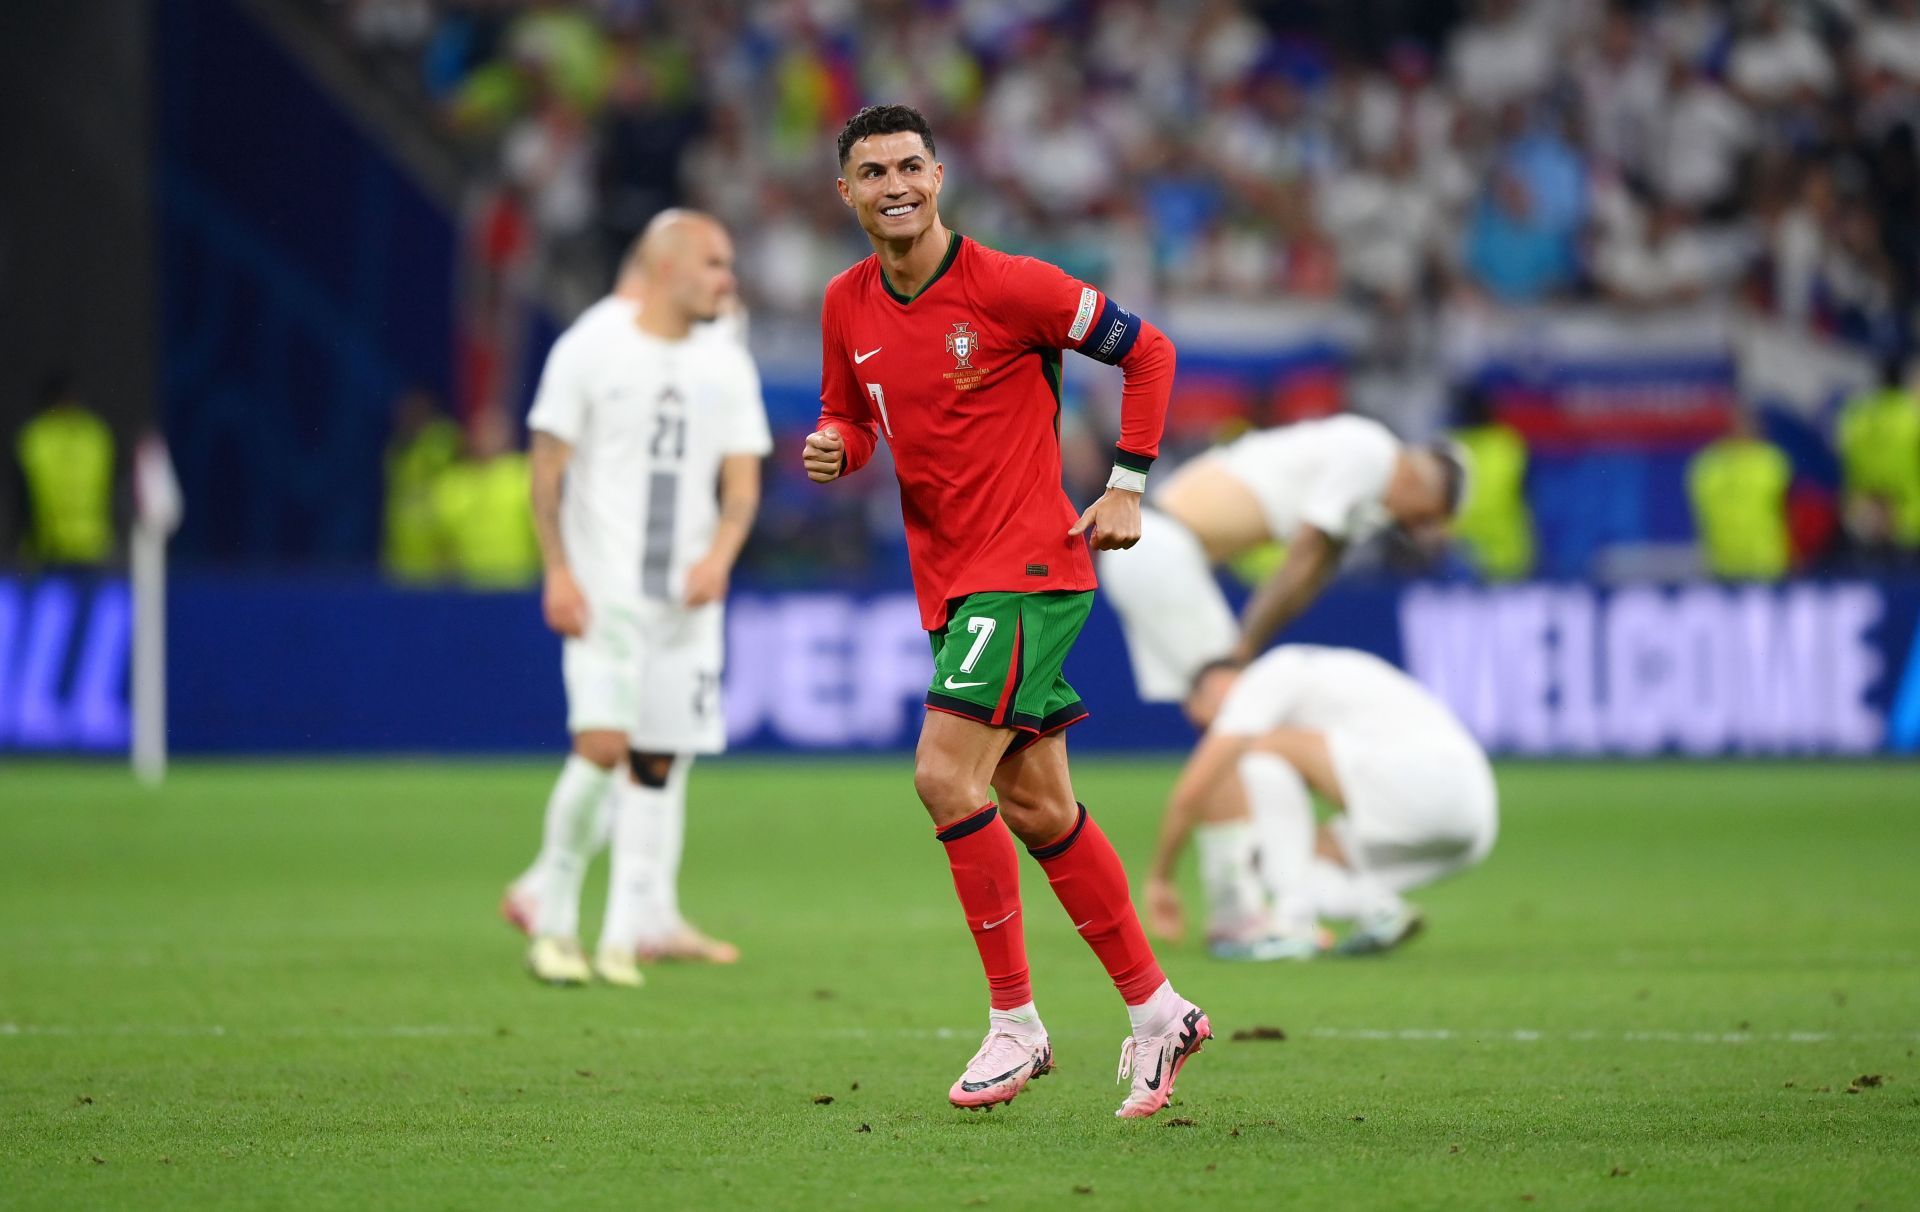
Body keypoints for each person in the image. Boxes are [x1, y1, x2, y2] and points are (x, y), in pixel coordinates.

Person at [803, 104, 1207, 1119]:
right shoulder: (845, 304)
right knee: (1037, 807)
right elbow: (855, 421)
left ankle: (1015, 1023)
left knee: (943, 773)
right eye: (870, 172)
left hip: (1026, 567)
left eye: (908, 167)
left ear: (939, 176)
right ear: (844, 193)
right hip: (948, 581)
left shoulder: (1011, 286)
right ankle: (1158, 1011)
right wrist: (834, 449)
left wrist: (1129, 482)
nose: (892, 185)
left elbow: (1148, 350)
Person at [501, 209, 770, 987]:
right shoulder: (591, 346)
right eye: (714, 263)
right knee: (603, 746)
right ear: (666, 270)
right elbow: (546, 467)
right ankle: (552, 919)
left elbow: (742, 483)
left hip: (686, 606)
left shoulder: (725, 363)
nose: (728, 277)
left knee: (658, 759)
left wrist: (719, 558)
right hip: (606, 590)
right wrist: (557, 569)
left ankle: (626, 934)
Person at [1146, 646, 1498, 960]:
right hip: (1474, 815)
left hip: (1426, 780)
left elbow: (1193, 790)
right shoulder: (1322, 677)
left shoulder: (1269, 674)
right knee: (1283, 858)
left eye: (1204, 722)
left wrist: (1161, 877)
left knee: (1246, 755)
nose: (1209, 731)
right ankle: (1377, 910)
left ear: (1215, 688)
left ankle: (1288, 921)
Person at [1100, 412, 1467, 708]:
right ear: (1424, 486)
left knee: (1213, 704)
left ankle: (1214, 798)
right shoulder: (1371, 455)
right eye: (1425, 517)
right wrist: (1246, 644)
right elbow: (1305, 554)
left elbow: (1315, 574)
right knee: (1237, 704)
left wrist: (1249, 643)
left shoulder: (1363, 475)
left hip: (1155, 546)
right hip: (1160, 545)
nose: (1415, 527)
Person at [15, 376, 115, 567]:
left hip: (91, 546)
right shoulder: (37, 436)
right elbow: (21, 492)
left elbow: (112, 485)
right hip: (48, 546)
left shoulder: (94, 434)